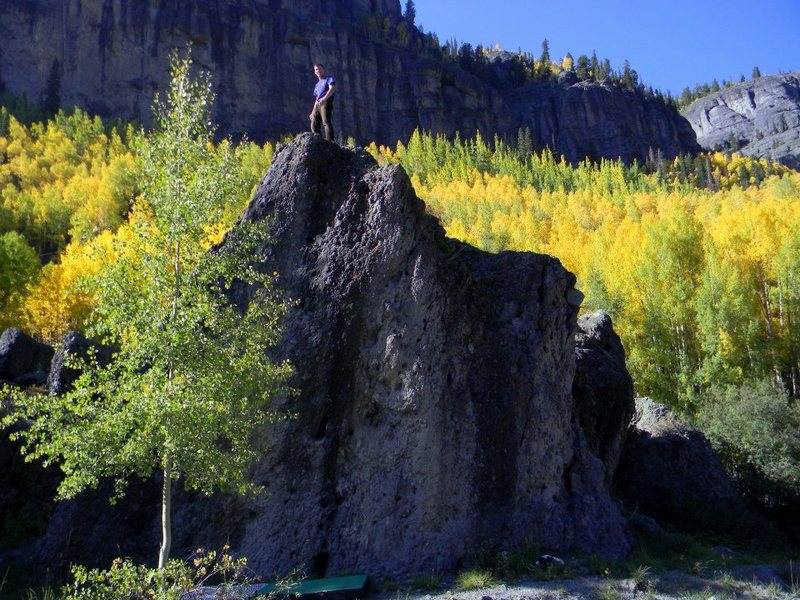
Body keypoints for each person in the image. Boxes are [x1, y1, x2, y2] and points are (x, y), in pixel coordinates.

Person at [310, 63, 336, 141]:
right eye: (316, 69)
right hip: (318, 104)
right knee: (314, 124)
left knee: (326, 122)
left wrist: (324, 99)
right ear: (315, 72)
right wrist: (312, 112)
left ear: (323, 70)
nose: (318, 71)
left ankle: (330, 142)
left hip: (326, 102)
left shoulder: (329, 79)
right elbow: (317, 98)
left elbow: (332, 88)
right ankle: (319, 141)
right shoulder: (317, 85)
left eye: (320, 69)